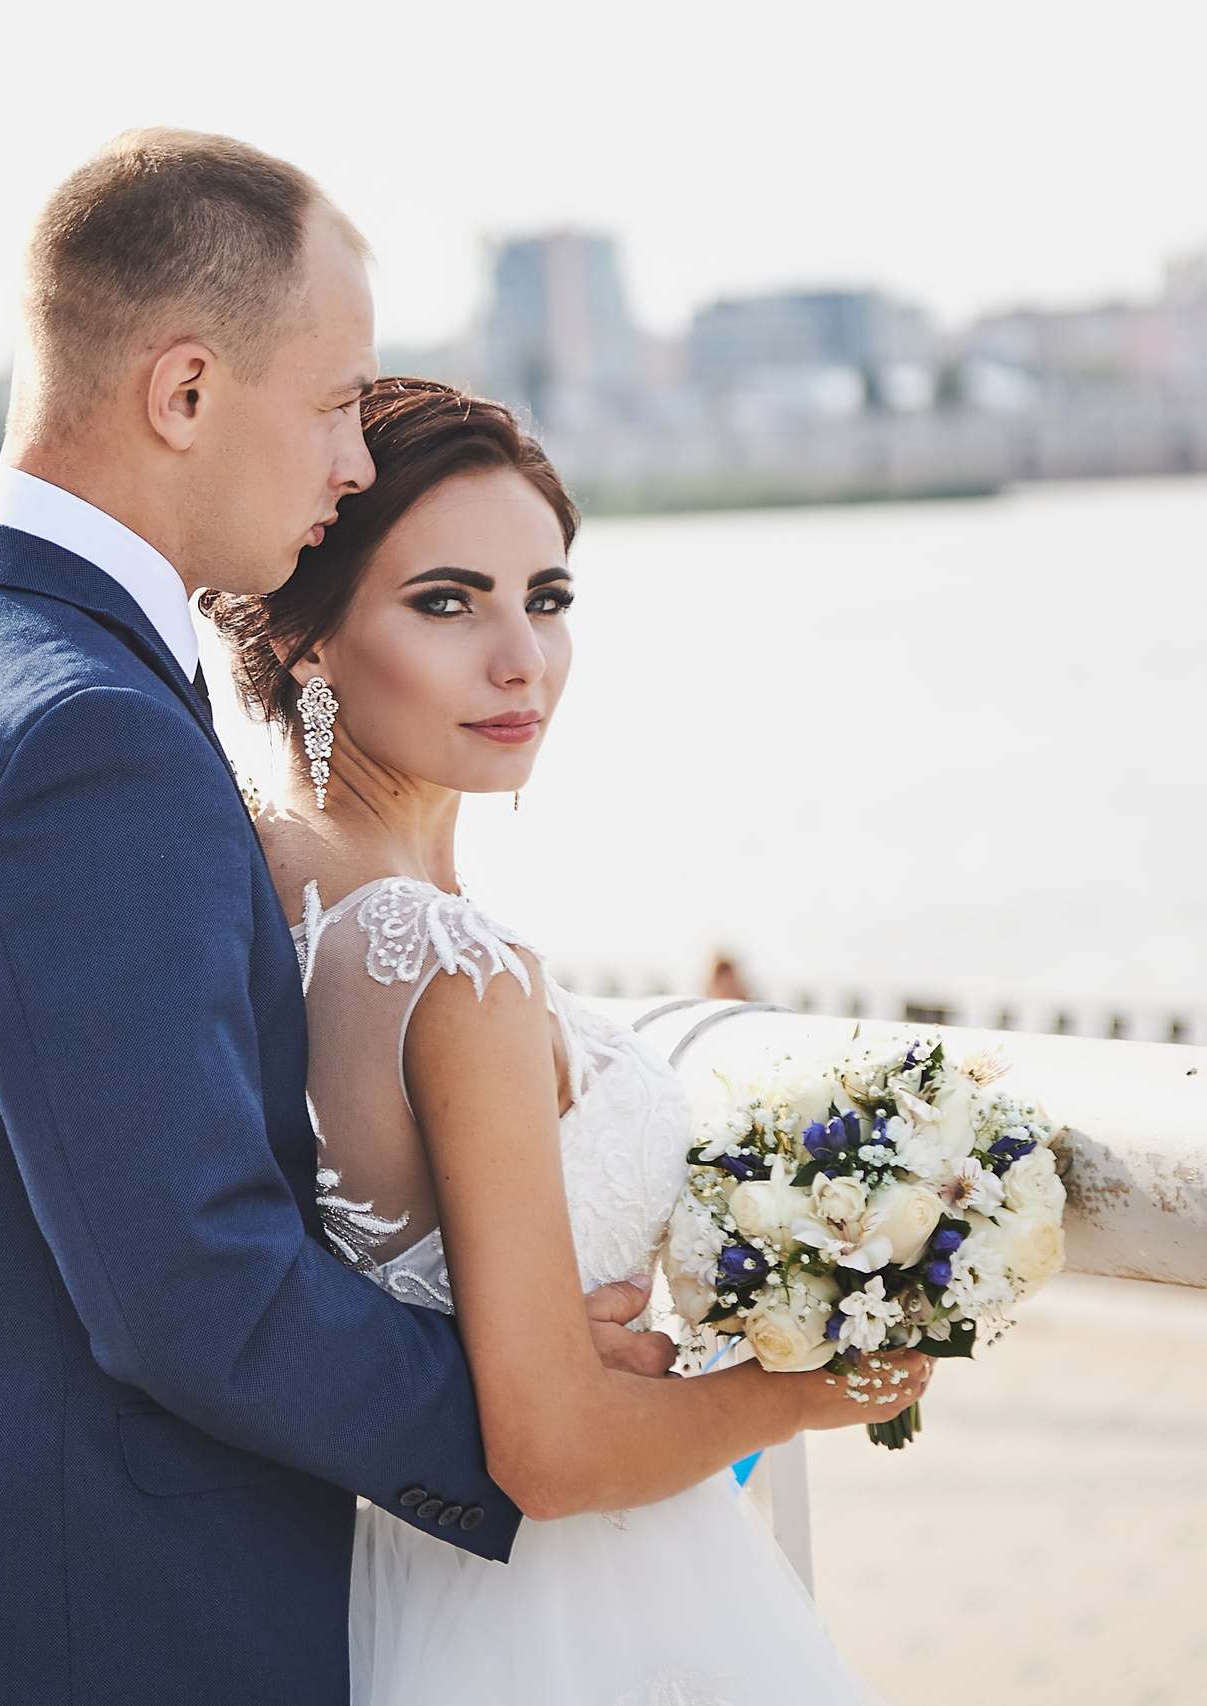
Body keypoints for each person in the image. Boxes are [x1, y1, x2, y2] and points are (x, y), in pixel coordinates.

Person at [0, 131, 778, 1703]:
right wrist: (535, 1407)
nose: (346, 464)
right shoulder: (79, 736)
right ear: (183, 392)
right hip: (115, 1627)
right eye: (332, 405)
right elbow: (193, 1291)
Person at [207, 379, 921, 1705]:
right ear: (307, 633)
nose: (520, 655)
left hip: (381, 1589)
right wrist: (811, 1389)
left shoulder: (237, 874)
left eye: (546, 596)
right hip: (568, 1611)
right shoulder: (457, 973)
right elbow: (551, 1444)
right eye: (446, 600)